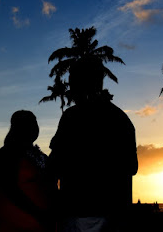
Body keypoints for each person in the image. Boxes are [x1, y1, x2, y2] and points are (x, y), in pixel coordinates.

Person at [48, 57, 138, 231]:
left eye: (72, 80)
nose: (69, 85)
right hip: (114, 213)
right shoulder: (121, 119)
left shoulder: (73, 117)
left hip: (82, 212)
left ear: (79, 83)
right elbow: (132, 167)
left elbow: (54, 164)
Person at [0, 110, 56, 231]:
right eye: (27, 124)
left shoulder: (39, 155)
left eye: (34, 123)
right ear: (16, 128)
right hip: (15, 221)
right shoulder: (7, 153)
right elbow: (8, 187)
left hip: (39, 222)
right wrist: (37, 213)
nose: (33, 128)